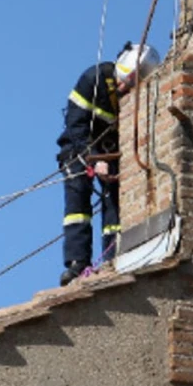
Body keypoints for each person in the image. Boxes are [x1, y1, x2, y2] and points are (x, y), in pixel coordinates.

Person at [55, 42, 161, 286]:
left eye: (130, 85)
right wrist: (93, 156)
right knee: (77, 202)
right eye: (123, 81)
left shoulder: (138, 96)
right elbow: (76, 123)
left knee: (114, 202)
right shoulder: (93, 79)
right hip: (78, 149)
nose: (124, 87)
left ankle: (112, 257)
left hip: (113, 155)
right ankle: (77, 264)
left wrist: (109, 160)